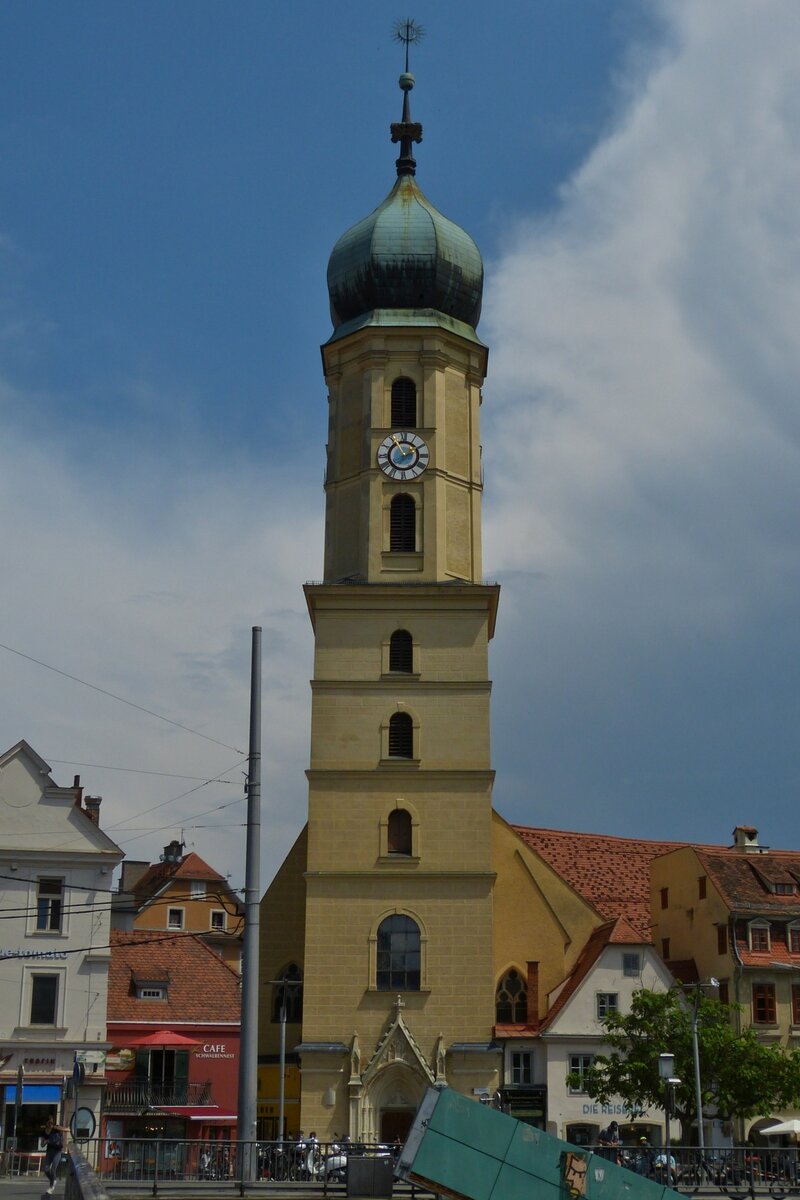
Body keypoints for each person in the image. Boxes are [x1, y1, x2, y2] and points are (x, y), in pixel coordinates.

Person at [42, 1117, 68, 1194]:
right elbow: (42, 1144)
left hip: (57, 1152)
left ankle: (51, 1186)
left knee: (53, 1169)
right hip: (49, 1152)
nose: (50, 1124)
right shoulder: (44, 1132)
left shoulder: (56, 1129)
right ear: (46, 1123)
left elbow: (67, 1130)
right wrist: (45, 1142)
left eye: (51, 1123)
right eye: (49, 1123)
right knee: (46, 1169)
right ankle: (53, 1179)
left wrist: (57, 1127)